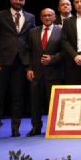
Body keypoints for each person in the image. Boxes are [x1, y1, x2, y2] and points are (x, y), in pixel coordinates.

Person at [0, 0, 36, 139]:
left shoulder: (30, 17)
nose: (18, 2)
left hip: (21, 63)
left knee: (18, 97)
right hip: (2, 62)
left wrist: (30, 66)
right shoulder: (0, 15)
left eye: (21, 0)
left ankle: (15, 128)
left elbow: (32, 42)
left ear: (24, 1)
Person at [25, 8, 63, 137]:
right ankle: (36, 127)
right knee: (35, 102)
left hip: (54, 73)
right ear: (41, 18)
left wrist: (52, 59)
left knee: (53, 102)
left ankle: (56, 127)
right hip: (36, 73)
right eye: (44, 16)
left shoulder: (61, 31)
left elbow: (65, 52)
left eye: (49, 15)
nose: (47, 18)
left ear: (54, 17)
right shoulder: (33, 32)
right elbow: (28, 52)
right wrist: (29, 68)